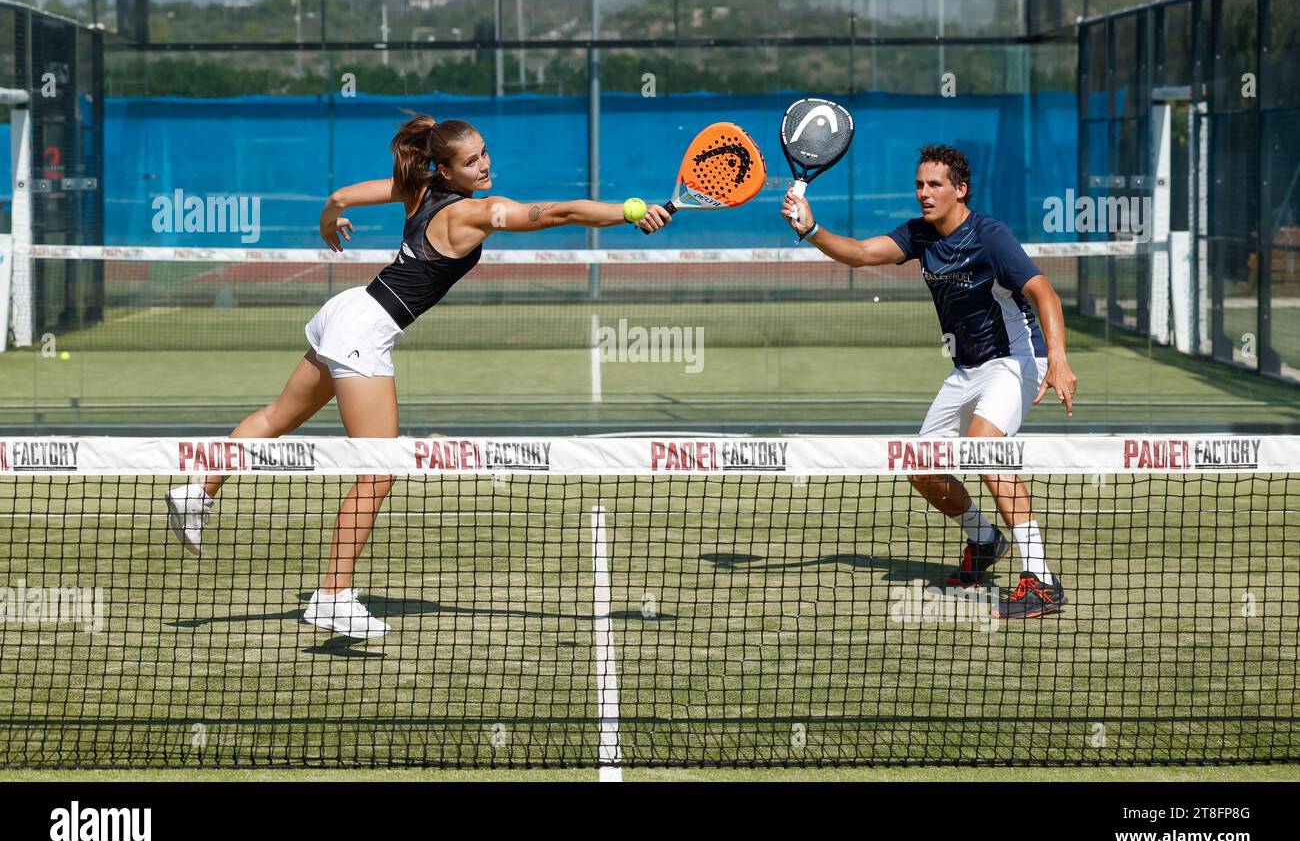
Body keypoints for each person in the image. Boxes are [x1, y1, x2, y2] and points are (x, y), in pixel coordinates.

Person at [166, 114, 671, 637]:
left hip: (348, 310)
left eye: (485, 153)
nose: (484, 164)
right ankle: (332, 595)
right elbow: (559, 212)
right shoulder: (474, 215)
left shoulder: (416, 187)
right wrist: (630, 210)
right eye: (471, 160)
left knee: (275, 417)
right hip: (366, 332)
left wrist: (326, 222)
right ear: (446, 171)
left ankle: (197, 493)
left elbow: (339, 197)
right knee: (380, 469)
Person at [781, 143, 1078, 619]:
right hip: (966, 370)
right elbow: (859, 254)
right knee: (921, 466)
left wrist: (1058, 359)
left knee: (984, 448)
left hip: (1016, 360)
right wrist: (813, 229)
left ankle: (1042, 581)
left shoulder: (990, 236)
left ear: (960, 190)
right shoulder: (920, 236)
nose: (924, 193)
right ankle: (985, 540)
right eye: (919, 184)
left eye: (935, 184)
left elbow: (1045, 292)